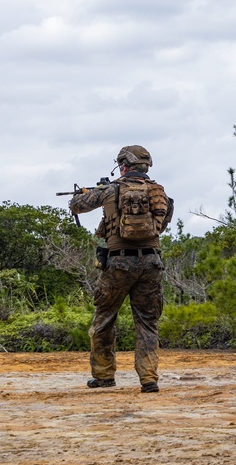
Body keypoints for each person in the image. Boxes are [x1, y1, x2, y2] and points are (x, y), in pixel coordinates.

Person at [69, 145, 173, 393]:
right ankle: (149, 378)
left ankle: (104, 375)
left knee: (104, 319)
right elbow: (162, 224)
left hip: (118, 263)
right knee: (147, 322)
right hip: (151, 262)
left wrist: (91, 192)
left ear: (124, 165)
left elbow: (76, 205)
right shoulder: (158, 192)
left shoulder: (111, 190)